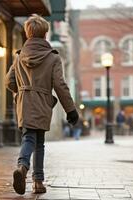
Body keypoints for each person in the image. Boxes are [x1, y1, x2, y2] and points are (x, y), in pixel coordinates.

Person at [5, 14, 78, 195]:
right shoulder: (52, 57)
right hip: (43, 103)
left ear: (28, 33)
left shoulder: (19, 56)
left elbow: (8, 82)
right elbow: (60, 85)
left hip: (24, 103)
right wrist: (71, 110)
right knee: (38, 142)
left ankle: (28, 173)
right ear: (45, 34)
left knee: (28, 137)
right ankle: (31, 176)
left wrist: (20, 92)